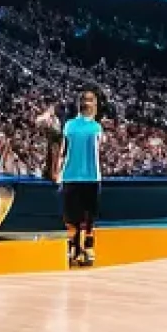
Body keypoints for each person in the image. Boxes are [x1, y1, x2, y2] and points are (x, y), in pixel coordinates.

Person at [54, 89, 104, 267]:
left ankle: (80, 250)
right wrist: (58, 171)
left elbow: (63, 150)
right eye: (91, 101)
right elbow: (64, 150)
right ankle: (81, 249)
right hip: (81, 178)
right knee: (81, 219)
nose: (93, 104)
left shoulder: (72, 126)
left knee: (81, 219)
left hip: (81, 178)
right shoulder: (94, 127)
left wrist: (58, 171)